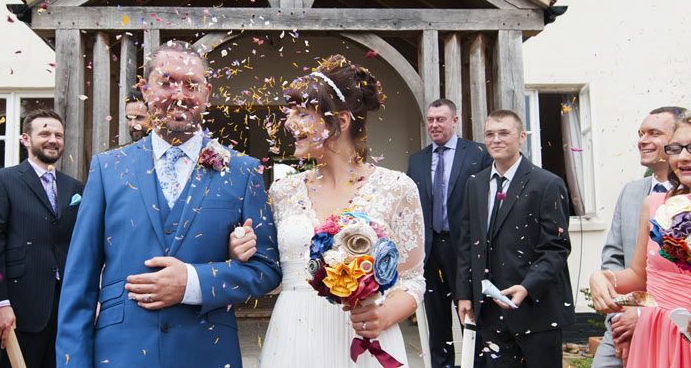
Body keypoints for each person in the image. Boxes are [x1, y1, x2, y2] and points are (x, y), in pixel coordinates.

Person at [55, 41, 281, 367]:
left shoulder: (243, 171)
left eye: (192, 84)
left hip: (207, 353)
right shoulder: (108, 168)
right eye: (167, 82)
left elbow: (266, 269)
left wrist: (193, 282)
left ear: (207, 93)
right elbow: (79, 285)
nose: (179, 94)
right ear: (145, 90)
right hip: (121, 354)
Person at [229, 54, 426, 367]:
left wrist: (383, 315)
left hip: (364, 341)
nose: (290, 123)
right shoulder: (282, 192)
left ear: (341, 121)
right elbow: (269, 269)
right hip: (294, 340)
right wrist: (242, 250)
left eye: (303, 114)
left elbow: (412, 281)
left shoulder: (397, 188)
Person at [456, 110, 573, 368]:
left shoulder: (547, 184)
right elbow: (467, 242)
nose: (495, 139)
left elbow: (556, 248)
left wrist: (527, 286)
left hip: (536, 308)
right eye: (490, 134)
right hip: (489, 310)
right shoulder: (475, 184)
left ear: (521, 137)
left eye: (503, 133)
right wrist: (464, 293)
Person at [0, 109, 84, 368]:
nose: (53, 140)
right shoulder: (1, 180)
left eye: (58, 135)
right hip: (18, 308)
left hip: (64, 310)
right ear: (25, 139)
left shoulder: (75, 187)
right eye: (45, 133)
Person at [590, 112, 691, 368]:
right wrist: (603, 278)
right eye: (676, 149)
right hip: (654, 334)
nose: (683, 157)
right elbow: (639, 276)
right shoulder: (654, 205)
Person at [407, 98, 492, 368]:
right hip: (430, 251)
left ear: (455, 121)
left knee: (471, 317)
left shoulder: (477, 154)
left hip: (465, 249)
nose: (434, 125)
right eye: (430, 120)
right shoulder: (417, 160)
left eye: (440, 119)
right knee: (436, 320)